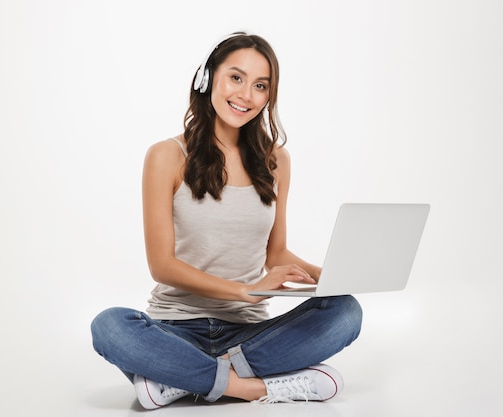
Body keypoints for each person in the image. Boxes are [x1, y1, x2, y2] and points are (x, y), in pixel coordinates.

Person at [90, 31, 362, 410]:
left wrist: (336, 275)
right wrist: (244, 291)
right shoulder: (166, 155)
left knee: (345, 310)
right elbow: (162, 265)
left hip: (249, 331)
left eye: (260, 85)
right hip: (175, 329)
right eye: (236, 77)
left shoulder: (276, 161)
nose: (245, 95)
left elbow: (276, 254)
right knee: (109, 326)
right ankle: (252, 387)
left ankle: (181, 380)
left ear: (269, 95)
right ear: (207, 78)